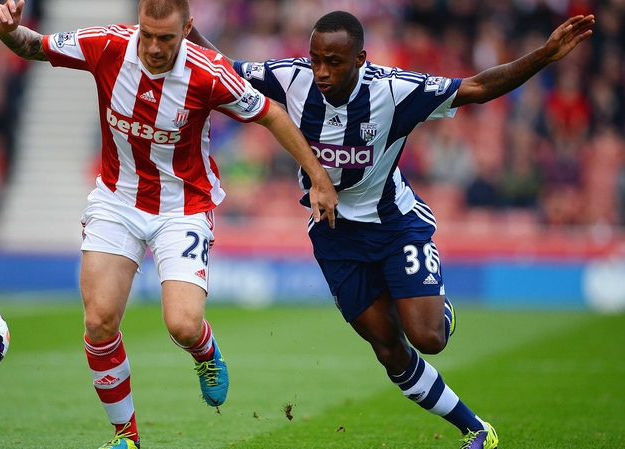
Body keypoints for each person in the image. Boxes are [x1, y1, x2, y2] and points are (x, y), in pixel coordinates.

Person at [190, 10, 595, 449]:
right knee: (389, 349)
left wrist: (543, 56)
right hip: (334, 236)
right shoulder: (291, 78)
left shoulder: (394, 90)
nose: (321, 72)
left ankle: (437, 308)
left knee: (429, 337)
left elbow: (477, 88)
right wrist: (185, 27)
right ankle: (477, 429)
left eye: (333, 62)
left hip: (395, 226)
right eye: (315, 59)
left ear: (360, 59)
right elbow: (221, 67)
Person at [0, 1, 339, 448]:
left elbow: (271, 113)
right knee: (99, 320)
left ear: (187, 28)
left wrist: (319, 177)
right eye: (147, 35)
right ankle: (126, 436)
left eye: (166, 38)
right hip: (117, 200)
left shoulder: (208, 72)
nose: (153, 48)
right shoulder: (107, 45)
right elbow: (35, 46)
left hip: (183, 207)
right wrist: (8, 32)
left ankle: (205, 352)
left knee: (184, 325)